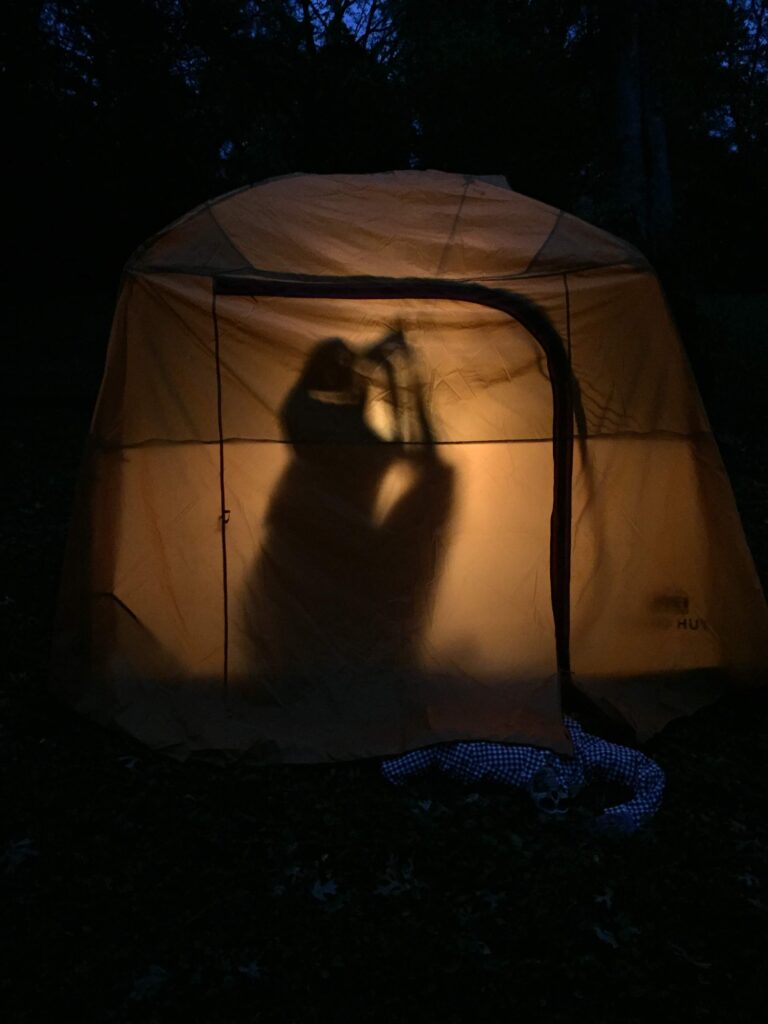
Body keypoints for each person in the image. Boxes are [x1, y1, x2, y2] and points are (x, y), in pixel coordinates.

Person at [381, 716, 665, 835]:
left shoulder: (586, 754)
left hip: (560, 740)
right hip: (531, 731)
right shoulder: (469, 751)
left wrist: (622, 817)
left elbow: (648, 772)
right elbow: (440, 746)